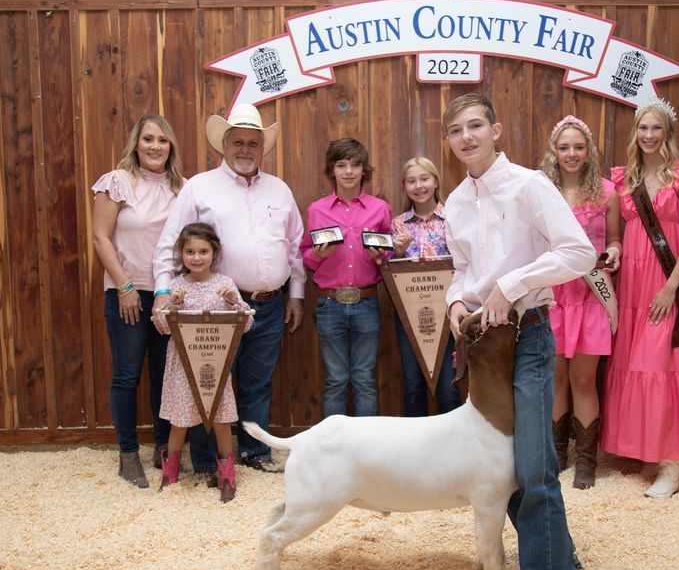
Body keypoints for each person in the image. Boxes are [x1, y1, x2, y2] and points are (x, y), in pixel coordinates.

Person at [442, 94, 597, 570]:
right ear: (450, 141)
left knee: (534, 467)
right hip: (483, 348)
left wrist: (513, 283)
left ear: (497, 129)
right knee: (506, 467)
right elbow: (461, 270)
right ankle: (557, 556)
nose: (467, 137)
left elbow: (580, 252)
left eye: (476, 126)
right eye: (457, 130)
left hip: (529, 339)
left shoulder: (531, 184)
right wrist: (456, 301)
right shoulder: (456, 202)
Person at [152, 103, 306, 476]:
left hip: (268, 306)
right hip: (213, 307)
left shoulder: (279, 189)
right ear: (224, 144)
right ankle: (206, 463)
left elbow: (296, 245)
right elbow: (170, 245)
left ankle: (255, 453)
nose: (245, 149)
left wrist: (297, 294)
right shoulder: (199, 187)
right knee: (209, 381)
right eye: (238, 141)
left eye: (253, 142)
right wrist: (161, 295)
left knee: (257, 381)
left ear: (262, 147)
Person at [600, 98, 679, 499]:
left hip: (665, 282)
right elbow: (616, 234)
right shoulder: (624, 179)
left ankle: (672, 465)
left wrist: (671, 286)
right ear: (635, 133)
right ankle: (648, 448)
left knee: (664, 364)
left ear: (667, 132)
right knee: (633, 364)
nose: (648, 136)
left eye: (655, 128)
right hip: (632, 285)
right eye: (642, 128)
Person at [92, 114, 185, 488]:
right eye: (148, 139)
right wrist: (125, 287)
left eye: (163, 140)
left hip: (168, 295)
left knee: (166, 376)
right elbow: (100, 238)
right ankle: (127, 453)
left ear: (171, 147)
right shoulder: (117, 182)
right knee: (127, 374)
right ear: (136, 143)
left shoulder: (182, 188)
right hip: (127, 293)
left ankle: (164, 448)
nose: (155, 146)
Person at [539, 116, 621, 489]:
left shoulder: (606, 192)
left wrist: (615, 252)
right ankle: (558, 455)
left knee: (583, 379)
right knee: (556, 378)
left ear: (589, 151)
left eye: (578, 147)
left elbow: (615, 240)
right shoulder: (541, 190)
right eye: (564, 147)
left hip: (590, 296)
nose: (571, 154)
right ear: (553, 152)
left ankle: (587, 462)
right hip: (554, 296)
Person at [157, 223, 253, 502]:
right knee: (180, 420)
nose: (196, 257)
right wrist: (172, 304)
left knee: (221, 420)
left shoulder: (224, 285)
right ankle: (170, 473)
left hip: (215, 364)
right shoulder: (174, 286)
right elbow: (162, 325)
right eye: (190, 252)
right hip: (184, 365)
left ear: (214, 252)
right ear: (181, 254)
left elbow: (246, 322)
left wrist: (235, 302)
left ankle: (227, 474)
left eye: (203, 251)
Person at [300, 138, 391, 417]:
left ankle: (367, 452)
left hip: (367, 302)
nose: (349, 171)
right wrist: (318, 256)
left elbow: (387, 254)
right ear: (332, 170)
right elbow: (305, 254)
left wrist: (381, 256)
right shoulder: (317, 209)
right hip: (330, 304)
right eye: (341, 165)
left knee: (365, 380)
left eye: (355, 164)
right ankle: (334, 450)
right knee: (335, 380)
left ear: (364, 170)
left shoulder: (380, 208)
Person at [390, 156, 462, 416]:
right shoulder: (398, 225)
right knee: (413, 385)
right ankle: (414, 451)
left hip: (448, 314)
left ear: (435, 181)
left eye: (424, 179)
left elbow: (465, 262)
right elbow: (391, 272)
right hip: (410, 316)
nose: (418, 186)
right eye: (411, 181)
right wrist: (397, 253)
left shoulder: (452, 219)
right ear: (404, 186)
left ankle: (451, 450)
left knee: (448, 387)